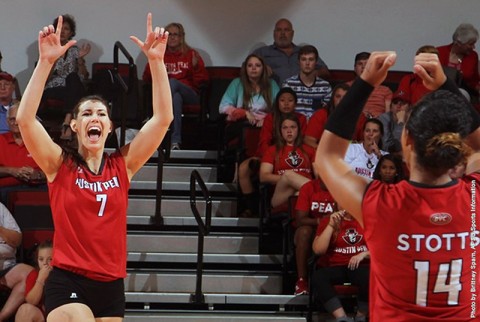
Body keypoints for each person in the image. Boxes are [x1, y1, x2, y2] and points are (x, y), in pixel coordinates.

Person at [16, 13, 173, 322]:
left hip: (111, 285)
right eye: (86, 113)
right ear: (74, 125)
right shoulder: (58, 164)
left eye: (101, 113)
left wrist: (156, 63)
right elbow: (24, 120)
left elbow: (163, 120)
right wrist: (45, 63)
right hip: (69, 280)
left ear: (110, 127)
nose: (95, 117)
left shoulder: (122, 165)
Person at [315, 51, 480, 321]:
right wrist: (445, 86)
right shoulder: (475, 197)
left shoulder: (380, 203)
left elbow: (327, 156)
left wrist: (365, 82)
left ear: (407, 142)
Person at [237, 88, 305, 217]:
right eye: (282, 100)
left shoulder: (301, 118)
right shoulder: (270, 118)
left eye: (290, 101)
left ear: (295, 104)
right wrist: (271, 159)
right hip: (268, 154)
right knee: (244, 167)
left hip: (292, 154)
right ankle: (251, 207)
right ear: (277, 103)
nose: (286, 104)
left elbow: (302, 142)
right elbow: (264, 142)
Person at [143, 22, 209, 150]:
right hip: (172, 97)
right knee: (176, 99)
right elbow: (146, 79)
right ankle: (175, 141)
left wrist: (195, 67)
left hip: (190, 95)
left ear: (181, 37)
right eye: (169, 35)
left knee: (172, 83)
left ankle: (154, 118)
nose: (172, 37)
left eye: (175, 34)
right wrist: (153, 60)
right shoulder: (159, 55)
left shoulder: (191, 54)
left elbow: (203, 81)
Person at [311, 209, 370, 322]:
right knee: (319, 276)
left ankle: (361, 316)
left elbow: (382, 249)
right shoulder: (327, 221)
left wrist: (364, 254)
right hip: (335, 265)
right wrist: (331, 226)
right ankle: (341, 318)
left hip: (361, 265)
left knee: (371, 276)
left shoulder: (368, 220)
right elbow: (318, 251)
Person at [40, 14, 91, 141]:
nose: (62, 31)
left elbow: (85, 76)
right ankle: (68, 123)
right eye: (60, 28)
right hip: (54, 88)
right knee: (75, 90)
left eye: (66, 29)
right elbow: (44, 77)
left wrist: (80, 59)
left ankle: (67, 120)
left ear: (71, 33)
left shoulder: (74, 50)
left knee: (73, 78)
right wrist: (52, 59)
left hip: (71, 88)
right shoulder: (48, 48)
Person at [259, 113, 314, 208]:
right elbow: (264, 176)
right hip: (280, 195)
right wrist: (289, 180)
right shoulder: (272, 150)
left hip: (300, 193)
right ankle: (315, 193)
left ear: (298, 130)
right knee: (288, 174)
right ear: (280, 131)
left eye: (293, 127)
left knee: (299, 194)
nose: (289, 131)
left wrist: (296, 183)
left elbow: (319, 175)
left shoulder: (309, 150)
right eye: (285, 128)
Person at [252, 19, 330, 84]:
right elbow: (244, 70)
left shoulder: (304, 52)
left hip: (302, 94)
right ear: (274, 33)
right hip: (273, 94)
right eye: (279, 30)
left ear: (292, 33)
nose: (282, 33)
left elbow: (325, 71)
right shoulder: (262, 52)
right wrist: (260, 68)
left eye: (286, 30)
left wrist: (312, 74)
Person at [293, 177, 335, 295]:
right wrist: (321, 221)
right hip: (312, 230)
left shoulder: (340, 188)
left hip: (333, 229)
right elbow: (300, 220)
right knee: (304, 232)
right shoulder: (308, 187)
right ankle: (301, 281)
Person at [0, 103, 46, 205]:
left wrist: (38, 175)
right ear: (7, 122)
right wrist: (11, 171)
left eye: (19, 118)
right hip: (4, 191)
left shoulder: (42, 141)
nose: (16, 123)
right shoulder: (0, 140)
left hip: (37, 189)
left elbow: (55, 172)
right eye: (12, 119)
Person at [0, 202, 35, 321]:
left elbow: (17, 239)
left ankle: (1, 317)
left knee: (28, 274)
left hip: (6, 265)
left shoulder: (0, 208)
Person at [304, 84, 365, 149]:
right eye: (338, 96)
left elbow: (365, 141)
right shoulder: (321, 114)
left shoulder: (360, 116)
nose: (341, 100)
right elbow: (309, 140)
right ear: (333, 99)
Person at [282, 45, 332, 119]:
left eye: (311, 59)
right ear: (299, 62)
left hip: (316, 126)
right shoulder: (288, 84)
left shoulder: (325, 86)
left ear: (316, 62)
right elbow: (285, 111)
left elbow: (327, 113)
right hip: (295, 125)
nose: (307, 63)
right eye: (303, 59)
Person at [437, 23, 480, 102]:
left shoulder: (473, 56)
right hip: (440, 92)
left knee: (462, 94)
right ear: (459, 43)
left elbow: (475, 81)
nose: (473, 47)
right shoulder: (439, 52)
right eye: (471, 44)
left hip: (465, 94)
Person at [15, 240, 53, 322]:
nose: (45, 263)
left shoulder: (63, 275)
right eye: (41, 259)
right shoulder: (34, 274)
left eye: (50, 259)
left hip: (60, 313)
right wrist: (41, 279)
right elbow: (32, 301)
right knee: (24, 310)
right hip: (42, 315)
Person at [347, 52, 392, 118]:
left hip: (378, 124)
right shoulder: (346, 88)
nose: (363, 67)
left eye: (367, 64)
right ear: (355, 68)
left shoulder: (385, 91)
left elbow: (388, 117)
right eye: (360, 64)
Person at [377, 89, 410, 154]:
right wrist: (400, 123)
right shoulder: (384, 118)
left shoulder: (412, 119)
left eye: (402, 103)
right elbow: (387, 147)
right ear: (391, 107)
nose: (398, 106)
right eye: (395, 103)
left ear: (409, 106)